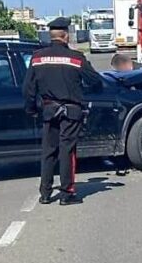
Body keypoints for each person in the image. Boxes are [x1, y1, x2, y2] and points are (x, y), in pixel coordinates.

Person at [23, 17, 103, 205]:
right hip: (71, 112)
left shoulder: (37, 57)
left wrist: (31, 109)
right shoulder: (76, 58)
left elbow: (28, 88)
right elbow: (95, 80)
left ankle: (45, 193)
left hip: (49, 111)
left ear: (51, 36)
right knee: (67, 152)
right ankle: (67, 193)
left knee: (48, 151)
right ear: (66, 35)